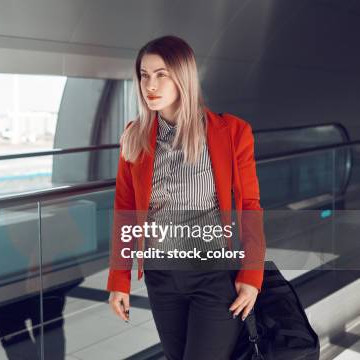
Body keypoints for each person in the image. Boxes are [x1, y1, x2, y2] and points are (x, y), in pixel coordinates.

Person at [106, 35, 266, 359]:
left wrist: (252, 274)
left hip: (214, 276)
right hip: (161, 277)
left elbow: (250, 206)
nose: (150, 84)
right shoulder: (134, 137)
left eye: (161, 74)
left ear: (183, 76)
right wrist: (119, 279)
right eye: (144, 75)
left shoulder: (232, 133)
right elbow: (125, 211)